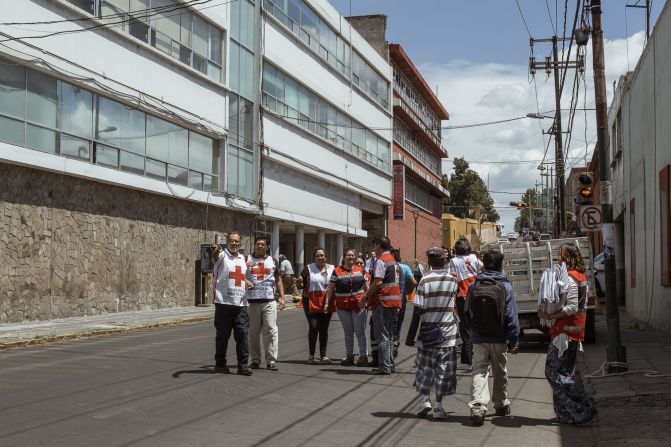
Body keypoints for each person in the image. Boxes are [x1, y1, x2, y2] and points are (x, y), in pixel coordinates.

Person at [538, 244, 598, 425]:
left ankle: (584, 408)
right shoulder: (579, 277)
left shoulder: (571, 279)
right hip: (572, 331)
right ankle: (566, 414)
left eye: (560, 256)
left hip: (565, 332)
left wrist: (549, 315)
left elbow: (572, 307)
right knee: (565, 373)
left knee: (553, 372)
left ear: (567, 259)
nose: (558, 259)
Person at [465, 249, 520, 426]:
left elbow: (466, 311)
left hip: (479, 336)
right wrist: (514, 340)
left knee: (479, 369)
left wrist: (472, 331)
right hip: (499, 336)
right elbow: (511, 316)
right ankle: (500, 403)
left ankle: (478, 407)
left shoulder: (474, 285)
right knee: (499, 370)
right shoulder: (506, 286)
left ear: (484, 264)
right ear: (500, 265)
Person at [405, 247, 460, 420]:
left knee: (425, 368)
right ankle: (438, 407)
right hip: (448, 334)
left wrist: (410, 336)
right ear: (444, 261)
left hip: (427, 333)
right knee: (443, 370)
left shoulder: (424, 281)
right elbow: (454, 306)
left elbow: (418, 310)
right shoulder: (453, 280)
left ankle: (425, 400)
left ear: (429, 262)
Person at [212, 232, 253, 376]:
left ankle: (243, 365)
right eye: (231, 241)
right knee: (222, 335)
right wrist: (215, 252)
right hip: (223, 302)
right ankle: (220, 364)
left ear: (240, 243)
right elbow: (215, 256)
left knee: (242, 334)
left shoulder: (243, 259)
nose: (234, 243)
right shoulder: (222, 255)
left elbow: (240, 277)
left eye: (236, 241)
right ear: (227, 242)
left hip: (241, 304)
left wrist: (247, 282)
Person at [360, 237, 402, 375]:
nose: (374, 249)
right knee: (389, 335)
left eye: (375, 246)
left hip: (383, 302)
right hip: (393, 302)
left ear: (378, 246)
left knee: (382, 335)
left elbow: (378, 282)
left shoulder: (381, 261)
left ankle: (384, 367)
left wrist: (365, 296)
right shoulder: (393, 261)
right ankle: (389, 365)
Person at [246, 236, 284, 372]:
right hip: (251, 302)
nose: (260, 247)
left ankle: (271, 361)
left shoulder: (273, 261)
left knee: (270, 331)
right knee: (252, 333)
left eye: (263, 245)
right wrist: (246, 279)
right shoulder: (247, 260)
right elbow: (240, 275)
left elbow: (278, 279)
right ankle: (255, 360)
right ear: (254, 245)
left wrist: (283, 297)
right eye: (258, 244)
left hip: (269, 301)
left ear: (267, 247)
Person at [328, 248, 369, 366]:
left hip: (358, 305)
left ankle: (363, 356)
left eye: (352, 256)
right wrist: (327, 302)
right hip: (342, 306)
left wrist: (367, 299)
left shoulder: (361, 270)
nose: (350, 257)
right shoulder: (337, 271)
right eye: (348, 255)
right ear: (344, 257)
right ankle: (349, 356)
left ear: (355, 258)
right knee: (348, 332)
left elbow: (367, 286)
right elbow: (330, 288)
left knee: (360, 331)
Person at [447, 237, 484, 366]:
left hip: (462, 297)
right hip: (477, 296)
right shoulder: (474, 258)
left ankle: (467, 360)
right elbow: (483, 270)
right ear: (468, 248)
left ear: (456, 250)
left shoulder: (453, 261)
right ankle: (481, 358)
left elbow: (451, 279)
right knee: (478, 325)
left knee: (465, 328)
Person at [299, 247, 335, 364]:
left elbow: (336, 283)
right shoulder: (308, 269)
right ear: (314, 257)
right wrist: (299, 282)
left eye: (322, 255)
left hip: (327, 301)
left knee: (324, 329)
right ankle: (311, 355)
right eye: (317, 256)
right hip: (311, 301)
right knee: (314, 327)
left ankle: (323, 356)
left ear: (326, 256)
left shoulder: (332, 269)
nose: (320, 257)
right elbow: (301, 284)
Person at [391, 248, 417, 357]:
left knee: (389, 323)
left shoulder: (387, 266)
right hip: (401, 299)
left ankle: (389, 345)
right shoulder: (405, 267)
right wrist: (408, 291)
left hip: (388, 298)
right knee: (399, 323)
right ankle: (395, 343)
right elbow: (414, 282)